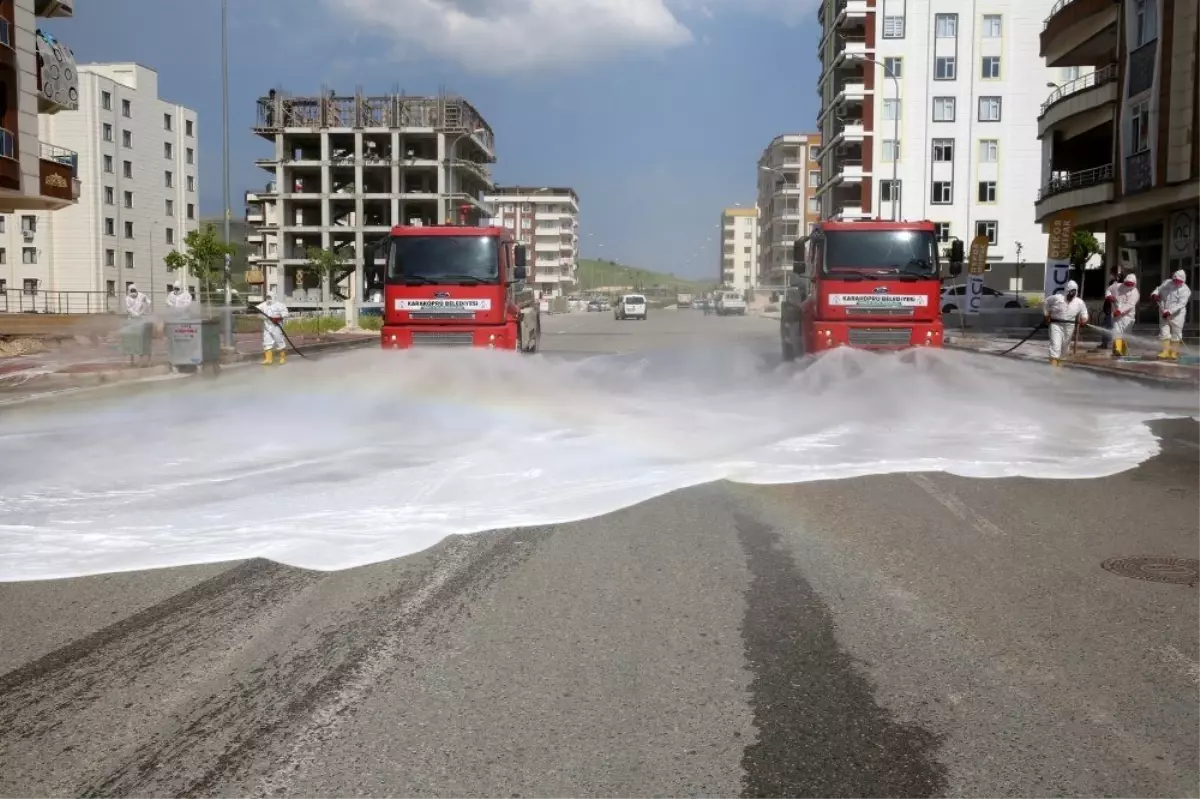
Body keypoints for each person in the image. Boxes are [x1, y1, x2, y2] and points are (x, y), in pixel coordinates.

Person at [1044, 279, 1088, 366]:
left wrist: (1084, 319)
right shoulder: (1057, 298)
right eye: (1069, 294)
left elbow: (1084, 313)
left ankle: (1060, 367)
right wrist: (1047, 314)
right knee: (1055, 346)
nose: (1071, 297)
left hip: (1069, 326)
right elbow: (1046, 302)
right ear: (1066, 291)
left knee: (1065, 349)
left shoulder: (1079, 303)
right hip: (1056, 324)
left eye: (1073, 294)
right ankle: (1053, 370)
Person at [1150, 270, 1191, 359]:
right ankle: (1165, 351)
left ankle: (1174, 352)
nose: (1176, 282)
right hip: (1163, 311)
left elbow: (1181, 304)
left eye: (1179, 280)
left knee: (1176, 333)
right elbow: (1158, 289)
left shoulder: (1185, 290)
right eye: (1175, 279)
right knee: (1164, 332)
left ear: (1183, 280)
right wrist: (1155, 294)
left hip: (1177, 315)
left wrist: (1169, 311)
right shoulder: (1167, 283)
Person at [1109, 272, 1139, 356]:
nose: (1128, 285)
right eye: (1127, 283)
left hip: (1128, 316)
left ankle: (1124, 352)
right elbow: (1108, 290)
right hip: (1117, 315)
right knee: (1116, 332)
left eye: (1130, 284)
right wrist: (1108, 296)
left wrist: (1120, 311)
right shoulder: (1117, 286)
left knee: (1126, 334)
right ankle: (1117, 350)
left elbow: (1130, 305)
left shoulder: (1135, 293)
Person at [256, 291, 289, 365]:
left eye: (270, 297)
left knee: (279, 342)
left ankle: (282, 358)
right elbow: (257, 309)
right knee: (267, 342)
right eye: (267, 297)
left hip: (276, 327)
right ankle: (268, 359)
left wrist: (278, 317)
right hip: (267, 327)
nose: (268, 299)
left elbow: (286, 313)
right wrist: (253, 309)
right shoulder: (264, 304)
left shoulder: (280, 305)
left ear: (274, 297)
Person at [1098, 268, 1122, 351]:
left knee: (1108, 326)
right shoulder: (1112, 283)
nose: (1110, 275)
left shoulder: (1119, 284)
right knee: (1107, 325)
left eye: (1111, 273)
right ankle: (1106, 343)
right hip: (1109, 308)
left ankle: (1106, 343)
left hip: (1113, 309)